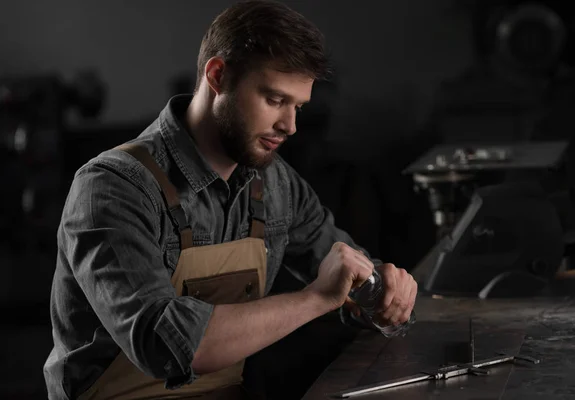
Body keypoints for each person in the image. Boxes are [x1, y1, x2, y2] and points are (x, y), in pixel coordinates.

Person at [43, 1, 418, 399]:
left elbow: (346, 270)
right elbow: (164, 343)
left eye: (298, 107)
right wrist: (316, 298)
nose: (290, 126)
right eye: (275, 100)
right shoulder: (113, 187)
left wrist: (382, 292)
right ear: (218, 76)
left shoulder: (275, 184)